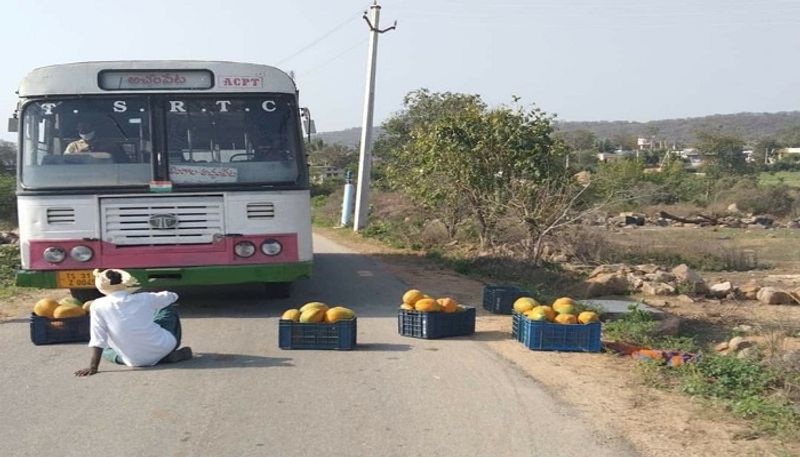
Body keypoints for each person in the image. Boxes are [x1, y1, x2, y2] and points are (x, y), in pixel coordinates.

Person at [74, 269, 192, 377]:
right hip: (163, 347)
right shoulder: (145, 297)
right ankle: (164, 356)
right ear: (124, 283)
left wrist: (93, 367)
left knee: (106, 352)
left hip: (132, 360)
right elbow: (172, 296)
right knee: (167, 307)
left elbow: (97, 339)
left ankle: (158, 359)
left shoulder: (97, 305)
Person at [64, 122, 130, 162]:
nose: (84, 131)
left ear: (93, 128)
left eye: (87, 129)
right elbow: (66, 162)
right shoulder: (73, 146)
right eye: (82, 130)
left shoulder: (109, 144)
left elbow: (123, 161)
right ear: (78, 130)